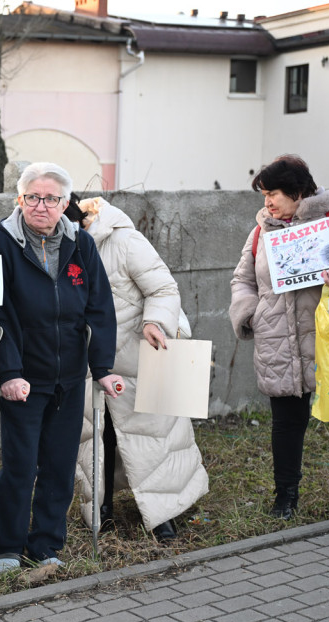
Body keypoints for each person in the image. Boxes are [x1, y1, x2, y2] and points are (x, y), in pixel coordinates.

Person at [229, 154, 329, 543]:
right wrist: (252, 314)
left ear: (298, 192)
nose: (267, 203)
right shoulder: (261, 231)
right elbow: (242, 279)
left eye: (273, 194)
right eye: (264, 195)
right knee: (286, 423)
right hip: (279, 342)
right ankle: (285, 498)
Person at [0, 162, 121, 571]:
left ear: (66, 203)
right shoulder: (2, 243)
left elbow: (100, 309)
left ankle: (45, 546)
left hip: (69, 376)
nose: (40, 206)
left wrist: (104, 368)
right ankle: (7, 549)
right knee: (20, 468)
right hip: (24, 378)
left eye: (50, 199)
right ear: (20, 200)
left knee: (60, 468)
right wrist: (9, 374)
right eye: (32, 197)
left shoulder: (81, 245)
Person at [73, 196, 208, 542]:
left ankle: (164, 514)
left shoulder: (124, 240)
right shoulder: (54, 245)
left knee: (154, 436)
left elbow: (162, 287)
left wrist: (155, 322)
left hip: (141, 355)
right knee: (97, 436)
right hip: (90, 363)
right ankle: (101, 510)